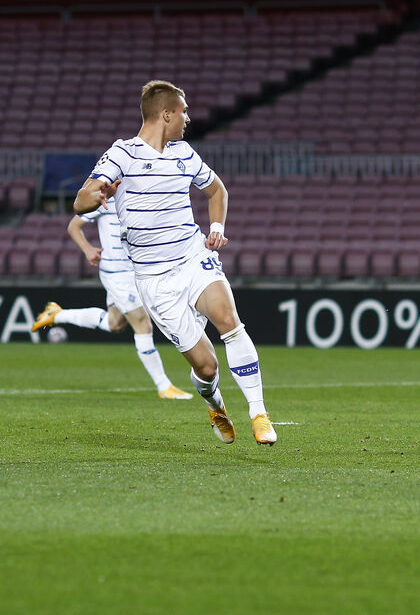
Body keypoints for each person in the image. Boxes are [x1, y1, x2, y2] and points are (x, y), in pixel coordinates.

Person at [72, 79, 276, 445]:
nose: (188, 118)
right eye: (183, 111)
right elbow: (80, 202)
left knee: (229, 321)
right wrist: (98, 192)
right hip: (153, 279)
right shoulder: (123, 153)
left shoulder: (184, 153)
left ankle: (259, 414)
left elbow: (217, 190)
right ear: (166, 114)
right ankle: (215, 404)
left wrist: (216, 228)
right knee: (207, 366)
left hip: (192, 256)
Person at [31, 203, 192, 400]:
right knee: (143, 324)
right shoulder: (105, 200)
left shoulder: (141, 197)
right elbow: (73, 226)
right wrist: (87, 249)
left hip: (136, 271)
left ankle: (56, 314)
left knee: (114, 324)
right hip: (117, 274)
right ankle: (164, 386)